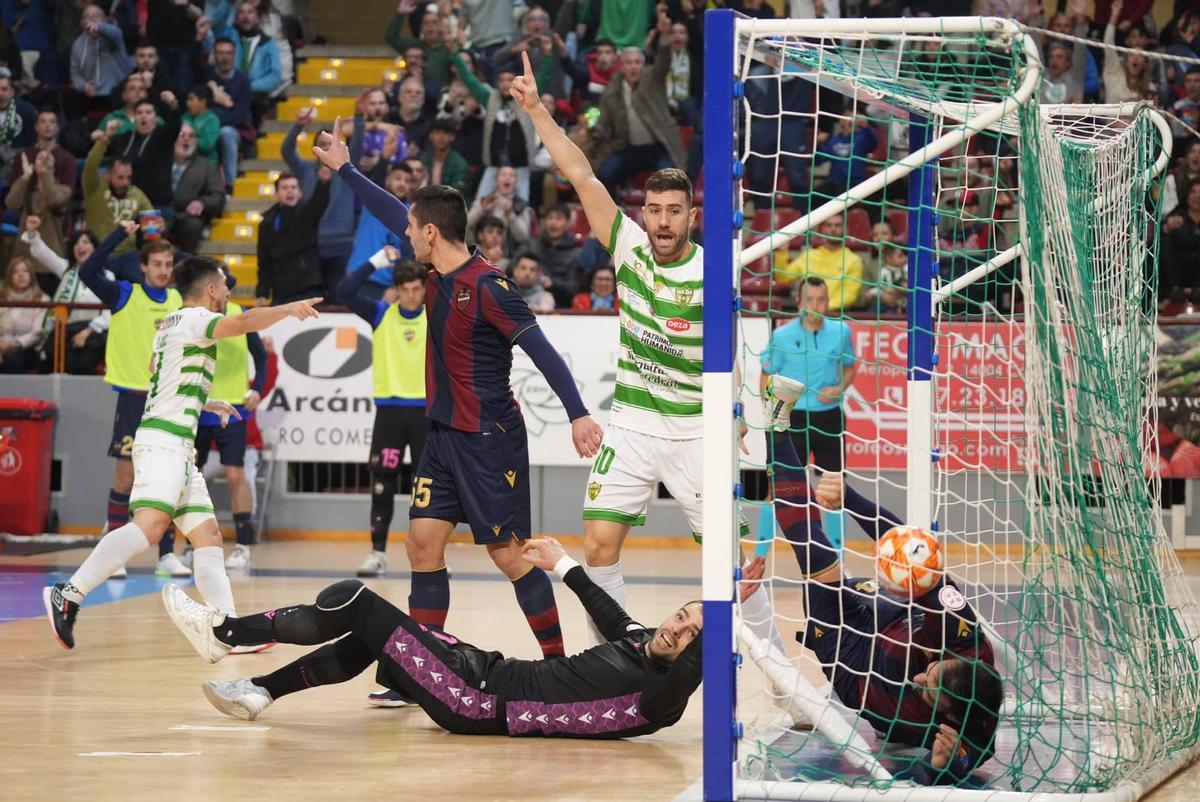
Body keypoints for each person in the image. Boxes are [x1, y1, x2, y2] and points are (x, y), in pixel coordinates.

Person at [510, 52, 781, 653]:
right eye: (654, 210)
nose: (662, 221)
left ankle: (786, 689)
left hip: (696, 432)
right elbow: (581, 173)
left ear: (691, 216)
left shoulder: (712, 272)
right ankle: (611, 661)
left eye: (673, 212)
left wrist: (735, 410)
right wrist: (537, 112)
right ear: (644, 214)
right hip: (631, 426)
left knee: (734, 565)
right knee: (598, 546)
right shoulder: (627, 245)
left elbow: (732, 346)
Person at [311, 116, 605, 666]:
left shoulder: (490, 287)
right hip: (442, 438)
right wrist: (347, 170)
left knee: (510, 556)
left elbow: (542, 351)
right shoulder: (434, 273)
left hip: (490, 440)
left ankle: (558, 665)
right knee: (421, 543)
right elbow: (390, 210)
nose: (404, 232)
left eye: (411, 227)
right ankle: (426, 669)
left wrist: (579, 414)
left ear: (430, 233)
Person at [162, 536, 765, 738]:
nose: (675, 629)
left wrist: (726, 620)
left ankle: (225, 633)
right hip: (481, 670)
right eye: (683, 616)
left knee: (357, 600)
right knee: (374, 638)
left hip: (473, 703)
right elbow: (608, 611)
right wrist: (560, 564)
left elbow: (685, 673)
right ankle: (259, 691)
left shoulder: (661, 698)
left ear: (700, 657)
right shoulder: (644, 641)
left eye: (691, 635)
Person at [43, 258, 322, 651]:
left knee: (207, 537)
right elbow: (242, 324)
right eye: (225, 286)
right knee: (151, 526)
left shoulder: (171, 323)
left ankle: (231, 632)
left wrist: (207, 402)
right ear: (211, 290)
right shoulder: (194, 319)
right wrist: (288, 309)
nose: (228, 294)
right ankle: (68, 593)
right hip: (163, 442)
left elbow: (160, 372)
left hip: (175, 441)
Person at [762, 401, 1002, 784]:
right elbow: (912, 553)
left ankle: (772, 434)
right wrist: (849, 499)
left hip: (855, 670)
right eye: (934, 672)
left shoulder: (974, 730)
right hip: (889, 621)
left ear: (952, 717)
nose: (922, 680)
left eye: (930, 691)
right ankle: (777, 426)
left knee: (812, 549)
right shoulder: (964, 635)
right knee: (892, 579)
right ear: (956, 658)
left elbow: (964, 765)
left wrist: (944, 765)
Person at [79, 221, 191, 576]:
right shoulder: (125, 294)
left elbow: (226, 281)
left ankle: (165, 556)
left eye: (168, 265)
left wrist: (169, 243)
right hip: (132, 398)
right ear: (143, 267)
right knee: (125, 477)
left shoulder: (180, 301)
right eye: (156, 264)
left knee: (169, 478)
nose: (163, 271)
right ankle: (113, 556)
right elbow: (87, 270)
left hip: (169, 401)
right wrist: (119, 234)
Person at [336, 253, 428, 579]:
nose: (412, 296)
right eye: (406, 290)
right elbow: (344, 291)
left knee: (428, 488)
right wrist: (373, 262)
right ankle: (378, 553)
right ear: (397, 290)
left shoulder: (438, 317)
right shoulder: (381, 314)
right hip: (390, 413)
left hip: (426, 414)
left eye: (418, 289)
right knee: (382, 483)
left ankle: (431, 555)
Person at [193, 276, 268, 574]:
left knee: (236, 475)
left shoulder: (239, 314)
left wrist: (258, 388)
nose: (224, 292)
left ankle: (243, 546)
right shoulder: (194, 316)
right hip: (198, 408)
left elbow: (261, 358)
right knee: (191, 478)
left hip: (233, 408)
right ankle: (192, 545)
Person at [761, 277, 856, 481]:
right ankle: (773, 514)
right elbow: (766, 374)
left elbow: (850, 368)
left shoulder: (841, 332)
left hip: (829, 417)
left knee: (834, 487)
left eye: (820, 300)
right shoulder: (781, 335)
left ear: (828, 301)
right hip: (791, 418)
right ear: (799, 302)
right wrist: (771, 410)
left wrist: (839, 389)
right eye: (809, 300)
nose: (815, 305)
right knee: (783, 486)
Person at [21, 219, 110, 376]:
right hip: (64, 332)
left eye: (85, 242)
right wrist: (33, 233)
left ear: (95, 249)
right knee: (45, 362)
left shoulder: (107, 276)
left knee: (81, 364)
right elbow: (45, 254)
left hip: (93, 334)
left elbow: (109, 312)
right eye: (76, 243)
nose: (80, 246)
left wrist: (88, 331)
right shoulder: (67, 270)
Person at [255, 170, 331, 306]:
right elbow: (264, 261)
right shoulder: (267, 223)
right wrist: (262, 292)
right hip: (281, 292)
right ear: (276, 194)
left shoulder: (308, 215)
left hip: (308, 290)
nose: (289, 191)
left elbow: (320, 201)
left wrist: (323, 182)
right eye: (284, 188)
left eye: (293, 187)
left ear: (300, 193)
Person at [83, 121, 153, 255]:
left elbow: (152, 226)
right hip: (98, 252)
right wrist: (105, 139)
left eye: (129, 177)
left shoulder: (137, 194)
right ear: (108, 175)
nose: (126, 182)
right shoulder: (94, 187)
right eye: (120, 178)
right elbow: (91, 164)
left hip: (128, 253)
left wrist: (158, 227)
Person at [777, 213, 864, 312]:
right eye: (829, 225)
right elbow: (783, 278)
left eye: (838, 225)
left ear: (846, 229)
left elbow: (849, 296)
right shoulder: (809, 256)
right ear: (823, 229)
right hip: (807, 314)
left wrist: (819, 308)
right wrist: (782, 253)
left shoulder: (854, 260)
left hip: (837, 316)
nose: (833, 229)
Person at [169, 125, 226, 254]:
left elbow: (218, 197)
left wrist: (202, 202)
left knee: (192, 225)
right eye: (182, 135)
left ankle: (186, 264)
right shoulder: (162, 162)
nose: (186, 139)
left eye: (191, 136)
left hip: (187, 216)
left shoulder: (205, 166)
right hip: (163, 212)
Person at [0, 255, 47, 374]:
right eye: (16, 272)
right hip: (2, 347)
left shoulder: (42, 300)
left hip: (28, 349)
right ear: (10, 277)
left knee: (13, 358)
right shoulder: (2, 299)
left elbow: (38, 332)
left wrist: (14, 344)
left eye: (25, 271)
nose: (21, 275)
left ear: (31, 276)